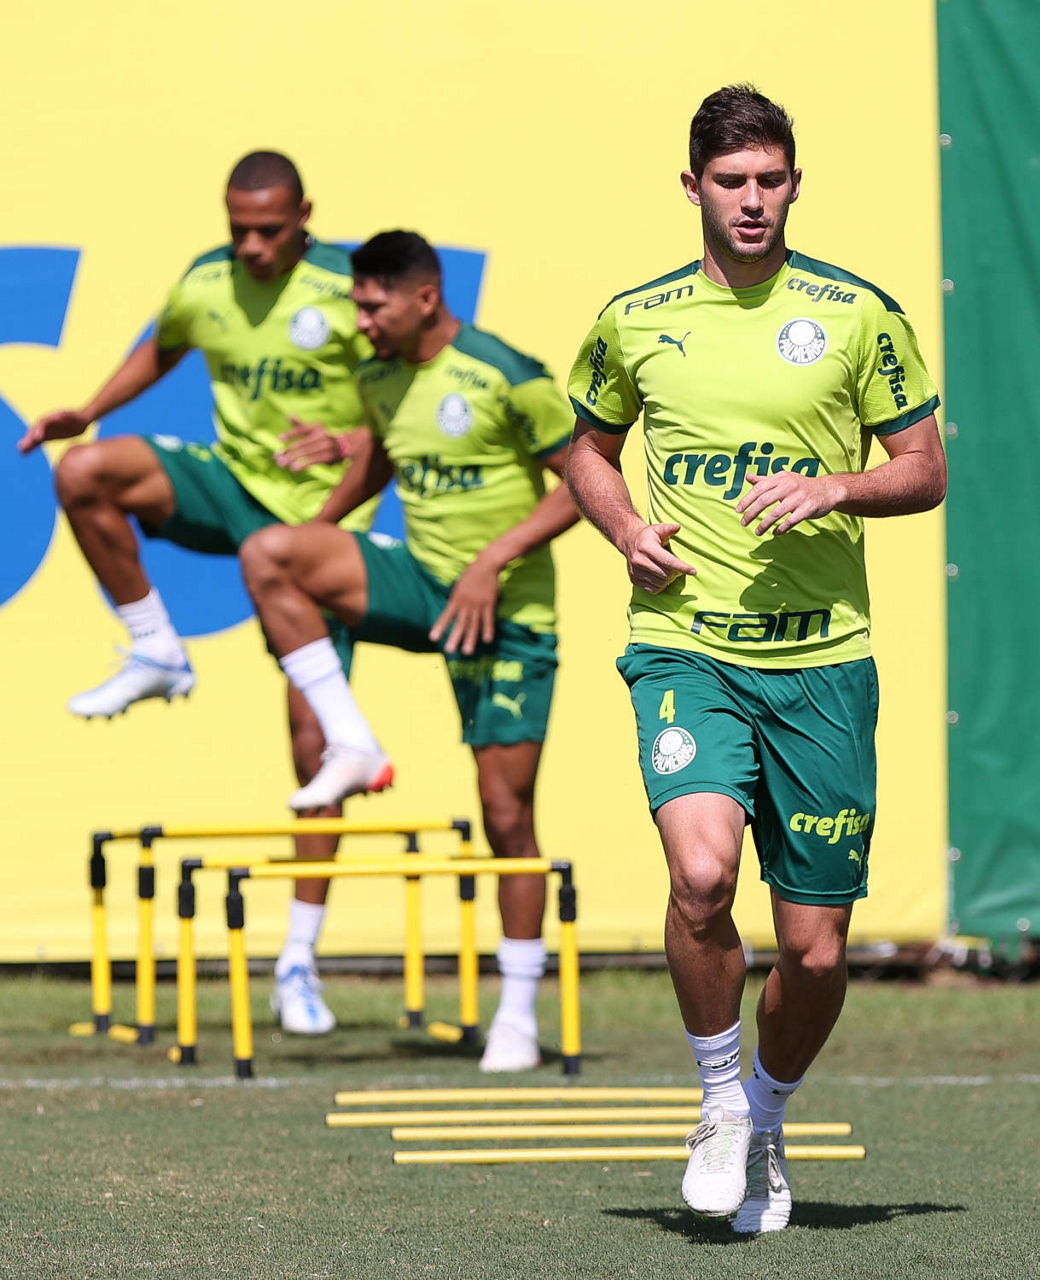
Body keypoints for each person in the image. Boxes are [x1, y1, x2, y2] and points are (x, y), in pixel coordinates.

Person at [565, 84, 946, 1231]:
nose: (749, 200)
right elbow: (585, 452)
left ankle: (768, 1113)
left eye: (768, 180)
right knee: (698, 876)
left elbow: (923, 468)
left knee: (814, 952)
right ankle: (719, 1098)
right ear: (691, 186)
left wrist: (836, 485)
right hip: (683, 645)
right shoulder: (635, 318)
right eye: (728, 181)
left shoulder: (856, 313)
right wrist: (623, 526)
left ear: (792, 184)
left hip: (822, 661)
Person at [18, 150, 387, 1037]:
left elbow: (401, 402)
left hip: (314, 526)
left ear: (305, 216)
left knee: (315, 745)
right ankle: (156, 647)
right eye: (238, 229)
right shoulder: (207, 279)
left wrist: (345, 451)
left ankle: (297, 963)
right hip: (230, 489)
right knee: (85, 471)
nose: (251, 246)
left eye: (269, 230)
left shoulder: (350, 288)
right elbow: (165, 344)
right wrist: (89, 408)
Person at [237, 229, 578, 1072]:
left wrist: (492, 562)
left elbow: (586, 484)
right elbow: (380, 462)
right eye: (354, 304)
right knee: (269, 554)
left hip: (506, 611)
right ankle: (353, 743)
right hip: (424, 585)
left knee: (506, 812)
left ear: (425, 299)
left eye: (371, 305)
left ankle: (517, 1016)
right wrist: (317, 537)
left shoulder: (504, 372)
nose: (359, 320)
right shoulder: (378, 375)